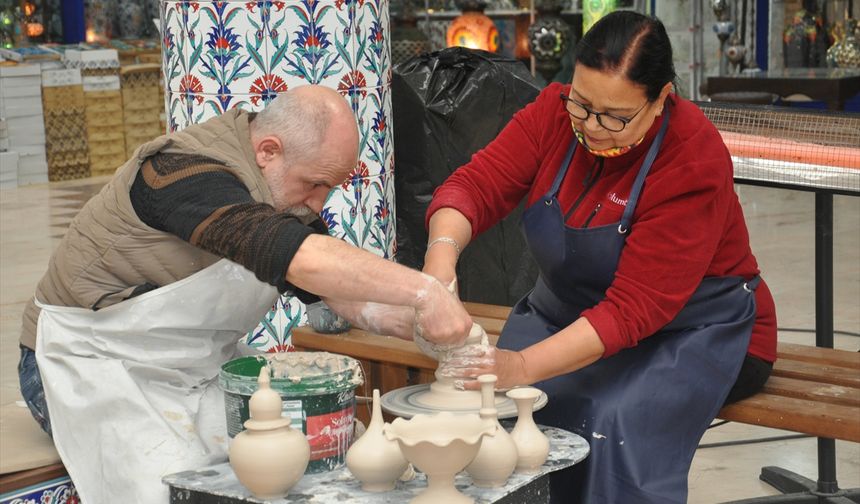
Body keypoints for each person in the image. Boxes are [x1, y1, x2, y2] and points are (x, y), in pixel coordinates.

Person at [19, 85, 472, 503]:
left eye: (329, 189)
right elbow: (296, 255)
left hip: (192, 366)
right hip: (88, 362)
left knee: (309, 446)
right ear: (268, 151)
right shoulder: (180, 171)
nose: (318, 203)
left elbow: (334, 290)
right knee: (175, 485)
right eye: (315, 184)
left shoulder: (283, 196)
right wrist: (424, 290)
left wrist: (414, 324)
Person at [423, 11, 777, 504]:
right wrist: (438, 269)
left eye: (615, 116)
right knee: (500, 410)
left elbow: (632, 311)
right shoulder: (554, 113)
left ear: (661, 99)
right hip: (567, 314)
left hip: (692, 331)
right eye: (583, 104)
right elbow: (475, 186)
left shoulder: (691, 156)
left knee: (607, 419)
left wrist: (519, 365)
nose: (591, 127)